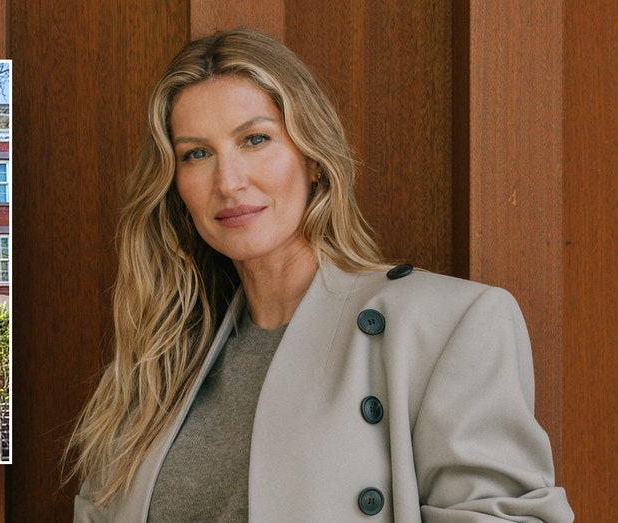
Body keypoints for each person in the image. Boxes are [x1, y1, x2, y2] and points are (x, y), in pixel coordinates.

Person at [67, 28, 573, 522]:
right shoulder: (155, 365)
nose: (229, 181)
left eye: (255, 139)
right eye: (196, 154)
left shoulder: (447, 325)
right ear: (176, 185)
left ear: (312, 158)